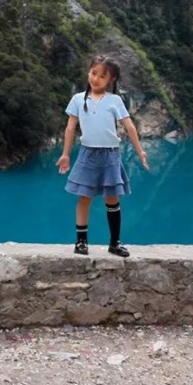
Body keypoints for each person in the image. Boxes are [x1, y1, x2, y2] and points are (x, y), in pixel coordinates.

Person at [56, 55, 149, 257]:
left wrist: (140, 151)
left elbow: (129, 127)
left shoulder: (115, 100)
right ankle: (81, 242)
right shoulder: (78, 99)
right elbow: (70, 128)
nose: (95, 79)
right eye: (93, 73)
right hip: (87, 154)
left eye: (102, 76)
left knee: (112, 199)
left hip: (110, 155)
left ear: (111, 80)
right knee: (84, 197)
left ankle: (115, 243)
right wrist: (65, 154)